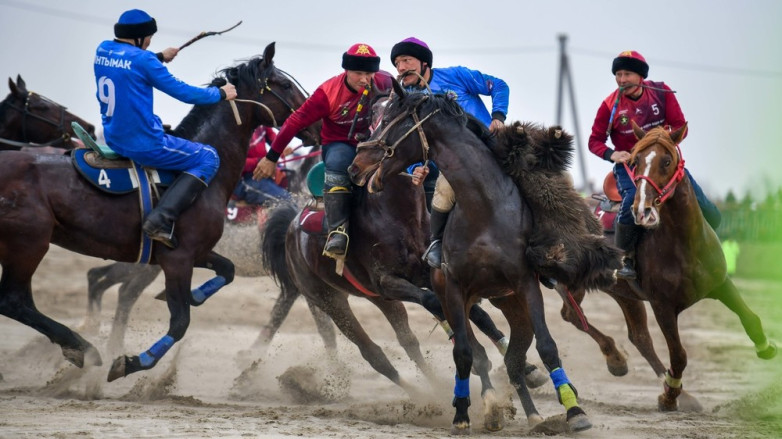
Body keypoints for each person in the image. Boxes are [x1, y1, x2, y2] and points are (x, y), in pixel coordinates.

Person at [94, 9, 237, 249]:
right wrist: (220, 93)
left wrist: (158, 56)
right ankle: (160, 220)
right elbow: (184, 92)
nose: (150, 41)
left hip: (113, 137)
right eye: (149, 37)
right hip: (142, 144)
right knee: (208, 157)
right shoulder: (144, 60)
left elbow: (132, 61)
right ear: (139, 37)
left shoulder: (103, 49)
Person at [588, 50, 721, 279]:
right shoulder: (610, 105)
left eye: (627, 74)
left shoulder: (662, 94)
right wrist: (612, 154)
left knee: (706, 207)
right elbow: (594, 141)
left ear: (640, 76)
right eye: (618, 74)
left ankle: (705, 251)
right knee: (632, 199)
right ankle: (626, 258)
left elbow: (681, 126)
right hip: (630, 165)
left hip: (661, 163)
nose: (621, 80)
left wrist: (661, 143)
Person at [253, 43, 393, 257]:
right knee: (338, 164)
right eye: (358, 73)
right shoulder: (327, 93)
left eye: (368, 73)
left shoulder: (385, 82)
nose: (365, 79)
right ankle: (338, 230)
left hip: (377, 143)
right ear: (346, 70)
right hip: (340, 144)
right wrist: (272, 157)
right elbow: (294, 121)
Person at [392, 37, 509, 268]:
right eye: (397, 63)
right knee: (442, 190)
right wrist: (414, 168)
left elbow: (499, 85)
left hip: (491, 151)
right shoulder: (404, 99)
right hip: (451, 167)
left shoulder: (455, 76)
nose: (401, 68)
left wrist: (498, 117)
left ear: (425, 63)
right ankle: (436, 244)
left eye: (406, 60)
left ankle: (549, 245)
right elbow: (405, 142)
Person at [233, 126, 292, 206]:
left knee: (292, 178)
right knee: (287, 202)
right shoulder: (231, 130)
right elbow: (236, 164)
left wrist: (281, 148)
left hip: (263, 169)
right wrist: (260, 161)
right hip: (246, 180)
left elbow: (270, 134)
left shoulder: (259, 119)